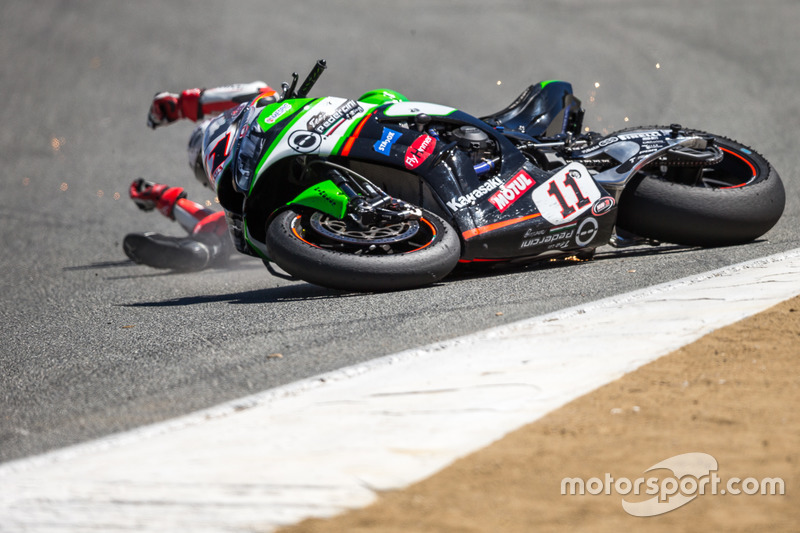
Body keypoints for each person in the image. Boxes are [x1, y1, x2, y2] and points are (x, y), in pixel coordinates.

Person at [124, 82, 277, 271]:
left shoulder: (266, 116)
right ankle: (199, 250)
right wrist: (169, 201)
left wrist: (182, 105)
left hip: (311, 137)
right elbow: (219, 223)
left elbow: (262, 93)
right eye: (203, 172)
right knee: (234, 223)